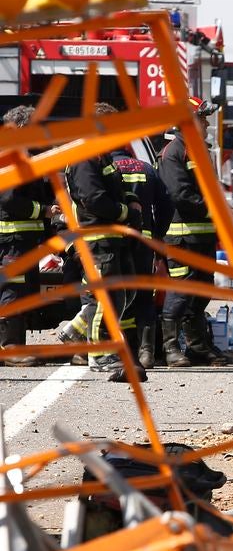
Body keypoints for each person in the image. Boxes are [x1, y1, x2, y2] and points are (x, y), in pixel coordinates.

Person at [65, 128, 144, 383]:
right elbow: (94, 198)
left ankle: (75, 331)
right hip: (96, 238)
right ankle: (100, 354)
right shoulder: (83, 158)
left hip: (113, 237)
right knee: (108, 298)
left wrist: (131, 200)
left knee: (125, 293)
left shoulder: (103, 156)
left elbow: (117, 188)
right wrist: (126, 213)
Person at [99, 104, 174, 369]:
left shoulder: (106, 170)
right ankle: (146, 352)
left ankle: (120, 348)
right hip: (144, 241)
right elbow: (167, 205)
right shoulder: (146, 167)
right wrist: (157, 233)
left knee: (119, 294)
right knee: (143, 294)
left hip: (116, 240)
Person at [158, 96, 227, 368]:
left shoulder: (199, 151)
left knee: (202, 291)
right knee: (181, 291)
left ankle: (197, 346)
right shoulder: (174, 153)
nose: (206, 122)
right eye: (201, 117)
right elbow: (181, 195)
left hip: (202, 237)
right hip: (182, 237)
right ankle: (170, 347)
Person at [0, 106, 54, 367]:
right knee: (14, 289)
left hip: (22, 239)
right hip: (13, 240)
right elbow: (10, 200)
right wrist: (43, 210)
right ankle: (12, 346)